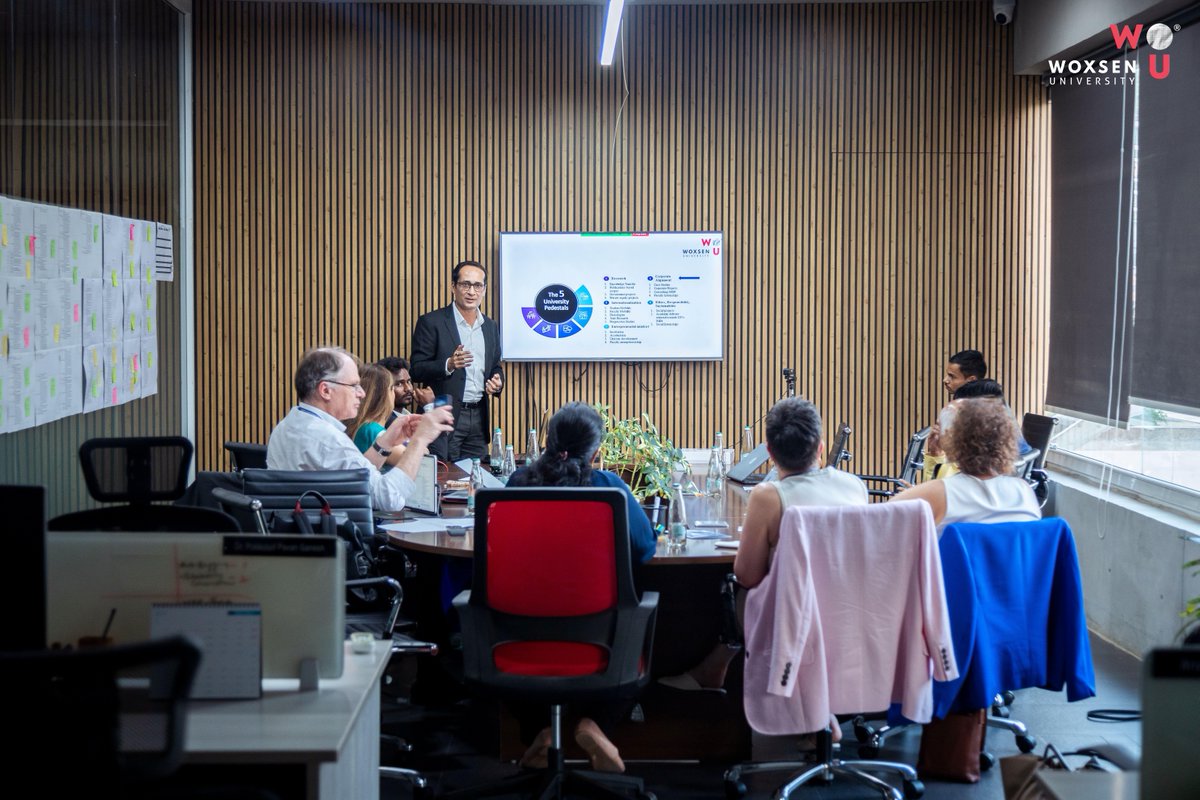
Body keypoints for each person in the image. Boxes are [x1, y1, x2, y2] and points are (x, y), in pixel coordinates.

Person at [659, 398, 868, 707]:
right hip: (851, 609)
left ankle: (715, 670)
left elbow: (747, 574)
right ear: (821, 447)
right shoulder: (855, 486)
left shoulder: (770, 495)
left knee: (729, 587)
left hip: (791, 615)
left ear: (769, 452)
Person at [503, 402, 656, 774]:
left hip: (517, 637)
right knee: (645, 620)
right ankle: (595, 724)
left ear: (548, 441)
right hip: (598, 639)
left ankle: (541, 731)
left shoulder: (517, 483)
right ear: (598, 450)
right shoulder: (610, 488)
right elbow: (644, 547)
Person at [266, 347, 454, 512]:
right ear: (325, 391)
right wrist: (420, 440)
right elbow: (390, 499)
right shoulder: (329, 440)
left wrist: (386, 443)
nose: (362, 393)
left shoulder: (287, 426)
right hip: (338, 541)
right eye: (354, 385)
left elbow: (355, 479)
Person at [894, 398, 1040, 531]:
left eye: (939, 427)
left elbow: (879, 525)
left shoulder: (936, 493)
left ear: (952, 437)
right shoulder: (1024, 492)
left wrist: (918, 497)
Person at [410, 260, 504, 461]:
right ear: (453, 287)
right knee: (444, 474)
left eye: (477, 286)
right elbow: (416, 369)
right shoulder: (431, 322)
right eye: (465, 284)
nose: (471, 291)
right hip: (444, 413)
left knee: (477, 474)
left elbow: (495, 366)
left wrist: (497, 381)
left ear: (484, 290)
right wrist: (448, 364)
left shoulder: (490, 326)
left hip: (478, 415)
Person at [925, 349, 989, 480]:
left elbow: (944, 486)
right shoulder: (992, 408)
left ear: (971, 380)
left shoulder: (972, 419)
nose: (945, 380)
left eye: (952, 376)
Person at [346, 364, 403, 469]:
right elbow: (419, 460)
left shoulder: (361, 426)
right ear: (384, 394)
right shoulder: (372, 430)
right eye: (392, 388)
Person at [375, 356, 432, 424]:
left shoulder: (406, 415)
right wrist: (429, 406)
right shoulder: (388, 421)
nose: (408, 388)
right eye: (399, 384)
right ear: (383, 387)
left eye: (408, 382)